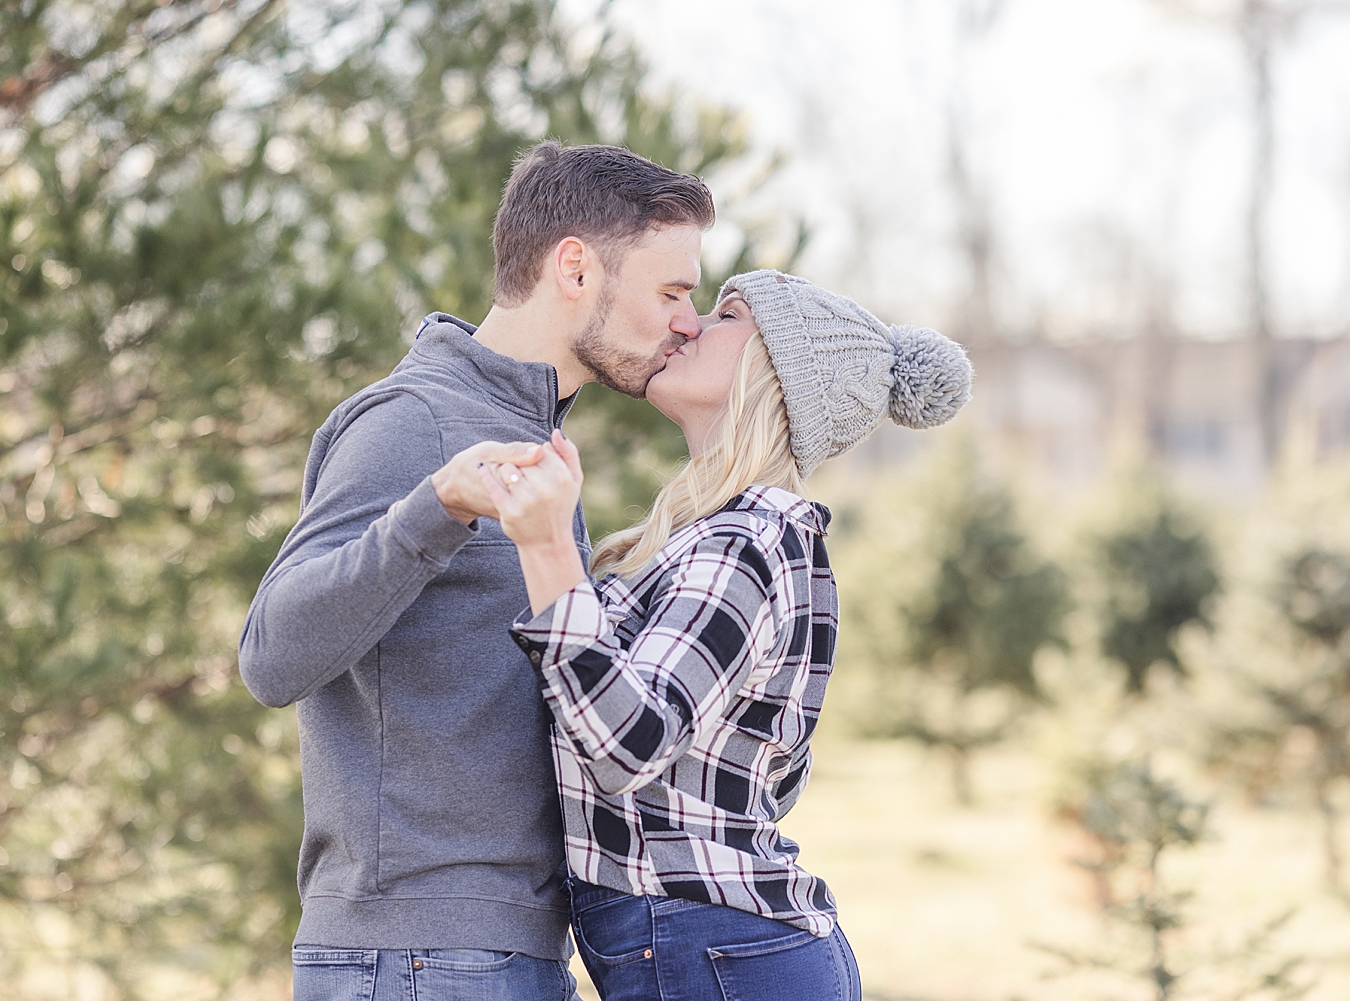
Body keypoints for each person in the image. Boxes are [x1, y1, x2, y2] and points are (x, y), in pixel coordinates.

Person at [237, 141, 715, 1001]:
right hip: (419, 955)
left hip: (499, 952)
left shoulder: (532, 434)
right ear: (575, 267)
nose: (688, 319)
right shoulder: (414, 420)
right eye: (672, 291)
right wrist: (434, 512)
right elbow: (271, 655)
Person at [479, 270, 973, 1001]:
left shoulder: (744, 542)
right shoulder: (746, 535)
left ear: (776, 370)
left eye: (726, 315)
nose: (687, 325)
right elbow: (776, 771)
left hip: (714, 950)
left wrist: (548, 547)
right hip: (722, 951)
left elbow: (627, 745)